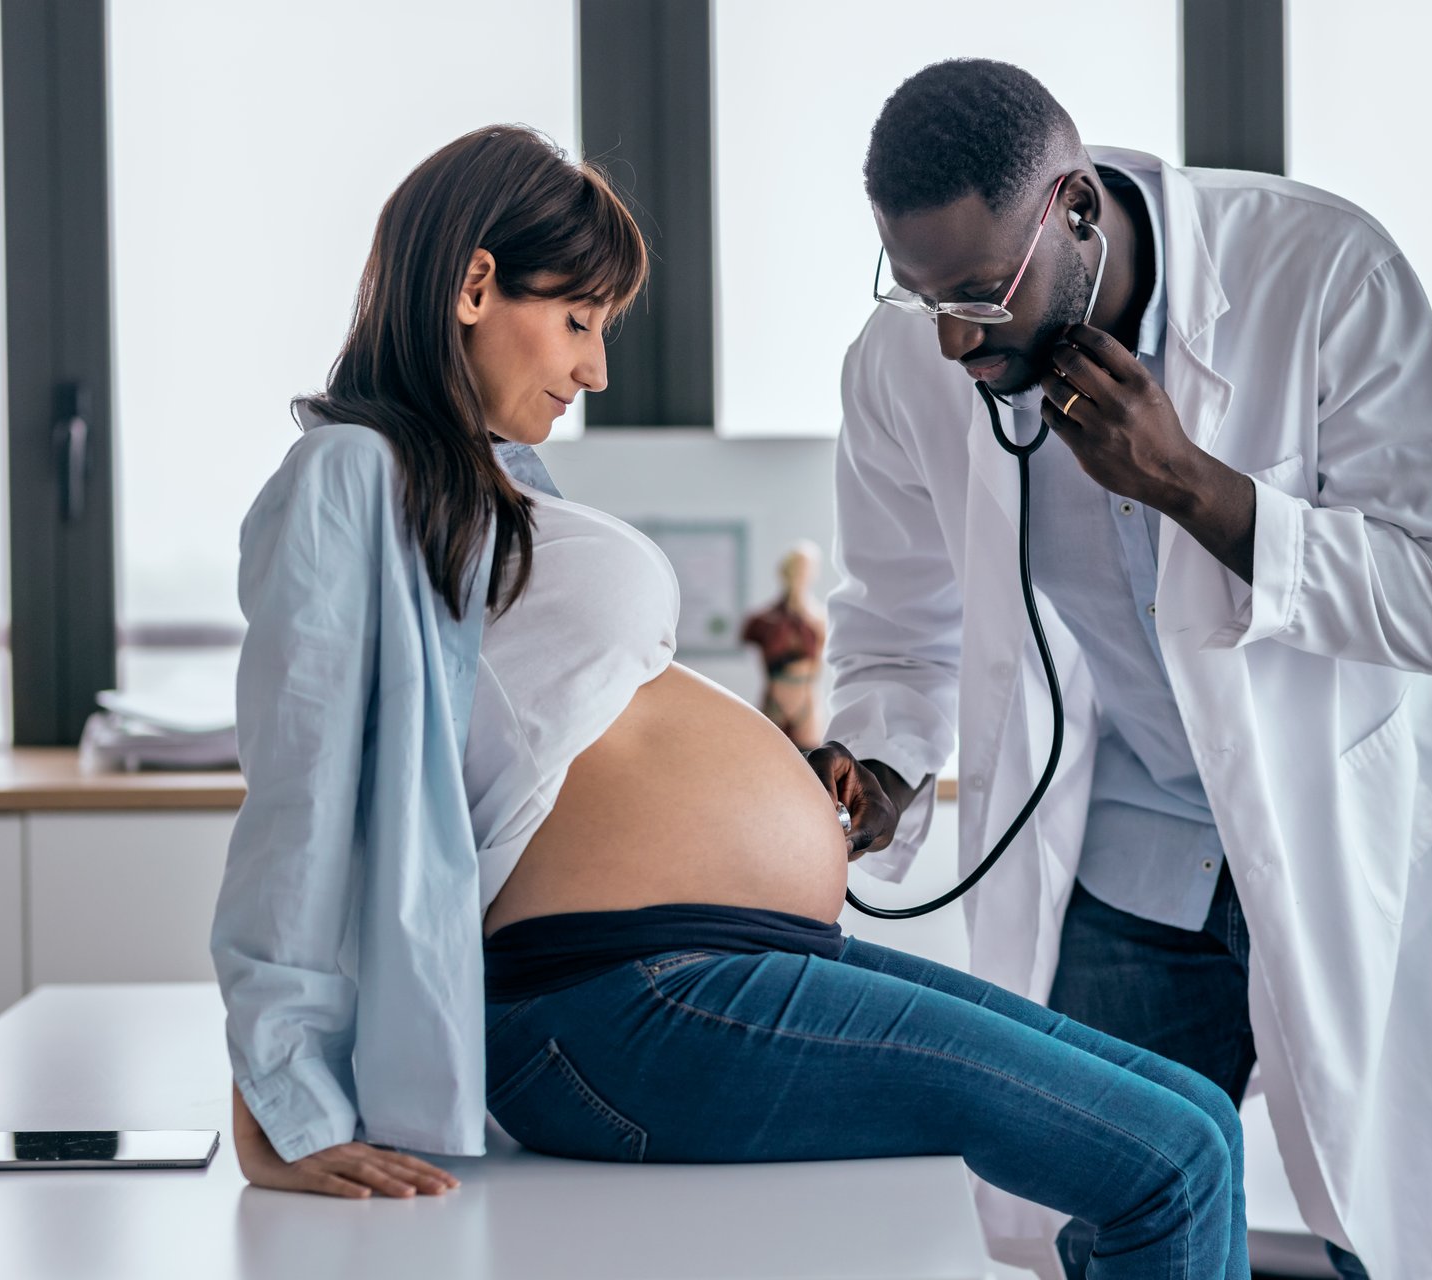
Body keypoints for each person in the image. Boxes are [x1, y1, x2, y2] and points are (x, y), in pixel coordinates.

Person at [210, 123, 1249, 1279]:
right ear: (472, 283)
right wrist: (284, 1090)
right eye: (577, 319)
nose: (595, 368)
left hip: (705, 962)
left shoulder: (491, 484)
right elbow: (298, 796)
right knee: (1165, 1159)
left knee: (1192, 1111)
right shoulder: (349, 475)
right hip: (617, 996)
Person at [807, 60, 1432, 1279]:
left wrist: (1198, 491)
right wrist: (882, 763)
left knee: (1400, 1233)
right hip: (1130, 862)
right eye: (922, 293)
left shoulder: (1321, 273)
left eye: (984, 297)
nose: (956, 338)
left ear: (1079, 210)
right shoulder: (903, 363)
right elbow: (898, 616)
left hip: (1342, 838)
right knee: (1118, 1233)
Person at [740, 540, 829, 748]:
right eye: (796, 568)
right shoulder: (764, 620)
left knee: (811, 767)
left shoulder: (819, 619)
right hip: (774, 702)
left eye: (806, 569)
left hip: (806, 704)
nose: (801, 575)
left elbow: (819, 663)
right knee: (769, 762)